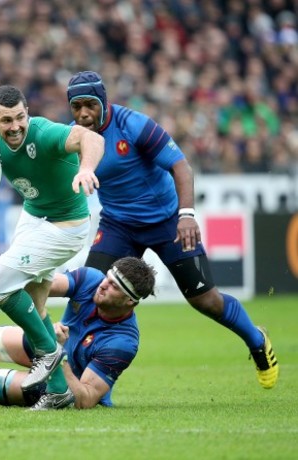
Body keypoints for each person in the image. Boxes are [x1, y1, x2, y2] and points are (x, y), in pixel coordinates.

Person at [65, 71, 279, 389]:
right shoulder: (72, 135)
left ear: (104, 101)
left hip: (167, 221)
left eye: (90, 105)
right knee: (88, 291)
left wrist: (186, 215)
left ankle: (256, 340)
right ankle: (62, 366)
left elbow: (181, 166)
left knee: (205, 301)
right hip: (118, 224)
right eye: (77, 106)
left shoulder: (135, 125)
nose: (84, 114)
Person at [0, 85, 105, 410]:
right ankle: (58, 392)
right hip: (34, 216)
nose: (15, 127)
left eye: (20, 117)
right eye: (6, 120)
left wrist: (86, 168)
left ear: (28, 113)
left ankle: (49, 352)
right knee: (36, 307)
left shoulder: (43, 133)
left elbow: (91, 139)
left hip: (66, 226)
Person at [0, 257, 156, 409]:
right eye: (108, 278)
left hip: (64, 382)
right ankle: (46, 352)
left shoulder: (122, 342)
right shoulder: (90, 279)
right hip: (49, 341)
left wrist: (58, 354)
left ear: (130, 301)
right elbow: (41, 285)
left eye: (115, 286)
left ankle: (47, 376)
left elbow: (85, 399)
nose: (104, 285)